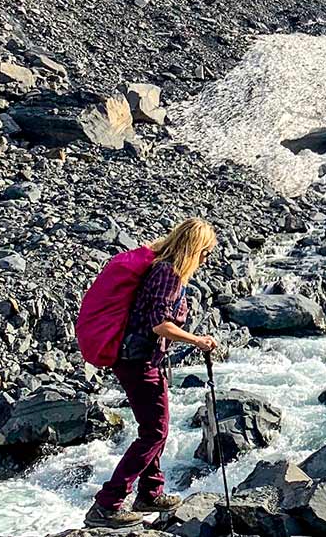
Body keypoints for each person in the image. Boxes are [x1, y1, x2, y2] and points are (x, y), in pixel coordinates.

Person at [85, 218, 220, 529]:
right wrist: (198, 341)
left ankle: (151, 491)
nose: (206, 260)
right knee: (155, 432)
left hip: (138, 358)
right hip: (138, 360)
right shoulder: (168, 273)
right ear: (194, 249)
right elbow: (160, 324)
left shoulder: (162, 268)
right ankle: (108, 504)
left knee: (153, 427)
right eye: (205, 253)